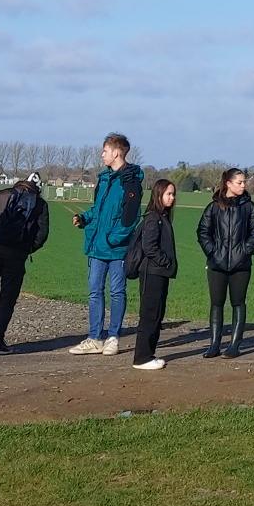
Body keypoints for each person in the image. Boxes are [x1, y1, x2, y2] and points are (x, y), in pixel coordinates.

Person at [72, 134, 144, 355]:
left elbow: (131, 216)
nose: (102, 154)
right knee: (94, 291)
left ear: (116, 152)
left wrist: (114, 238)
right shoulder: (103, 179)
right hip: (97, 247)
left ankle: (113, 337)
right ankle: (94, 337)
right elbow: (99, 209)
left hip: (117, 248)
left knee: (117, 292)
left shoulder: (131, 181)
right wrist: (84, 218)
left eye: (104, 151)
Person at [0, 171, 51, 354]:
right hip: (17, 255)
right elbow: (41, 235)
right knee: (7, 298)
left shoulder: (2, 195)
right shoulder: (39, 204)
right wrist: (27, 248)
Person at [197, 168, 254, 358]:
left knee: (238, 303)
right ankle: (214, 345)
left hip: (241, 265)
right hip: (216, 264)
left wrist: (244, 251)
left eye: (244, 182)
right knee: (216, 303)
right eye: (239, 182)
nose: (243, 185)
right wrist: (212, 252)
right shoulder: (214, 207)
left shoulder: (249, 207)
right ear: (228, 183)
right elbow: (203, 232)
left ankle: (234, 345)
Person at [127, 178, 180, 371]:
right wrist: (166, 262)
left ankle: (148, 354)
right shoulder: (153, 219)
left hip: (158, 272)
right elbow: (150, 247)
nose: (172, 198)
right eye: (168, 194)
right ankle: (142, 358)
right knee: (150, 315)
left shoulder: (161, 217)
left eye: (173, 194)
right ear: (158, 195)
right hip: (152, 273)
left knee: (156, 315)